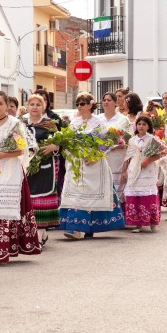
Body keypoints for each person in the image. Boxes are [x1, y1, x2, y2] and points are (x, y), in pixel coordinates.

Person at [0, 91, 41, 264]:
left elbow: (21, 150)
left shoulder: (15, 124)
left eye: (1, 103)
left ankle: (5, 248)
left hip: (10, 171)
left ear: (7, 105)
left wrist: (1, 154)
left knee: (5, 208)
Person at [59, 92, 126, 238]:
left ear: (90, 105)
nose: (79, 107)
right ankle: (75, 227)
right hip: (77, 163)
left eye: (82, 103)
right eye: (77, 104)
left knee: (90, 194)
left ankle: (88, 227)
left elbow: (108, 142)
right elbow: (67, 141)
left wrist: (95, 157)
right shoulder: (74, 122)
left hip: (93, 164)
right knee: (77, 194)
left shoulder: (98, 122)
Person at [24, 94, 61, 236]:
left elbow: (60, 142)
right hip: (27, 165)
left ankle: (41, 231)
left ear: (43, 107)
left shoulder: (50, 124)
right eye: (32, 104)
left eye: (38, 105)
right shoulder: (21, 123)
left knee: (43, 195)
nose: (35, 107)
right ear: (27, 106)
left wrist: (55, 146)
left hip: (46, 165)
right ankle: (32, 232)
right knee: (29, 196)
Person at [121, 116, 163, 232]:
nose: (141, 126)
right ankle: (137, 224)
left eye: (144, 124)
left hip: (147, 170)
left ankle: (152, 223)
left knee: (148, 196)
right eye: (139, 124)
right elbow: (128, 157)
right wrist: (124, 171)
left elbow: (159, 154)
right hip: (134, 169)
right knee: (134, 195)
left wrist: (147, 160)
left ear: (148, 126)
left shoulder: (153, 139)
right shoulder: (132, 140)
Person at [100, 92, 133, 212]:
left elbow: (129, 139)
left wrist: (121, 143)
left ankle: (118, 213)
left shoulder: (123, 119)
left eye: (109, 100)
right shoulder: (98, 119)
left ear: (115, 103)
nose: (106, 102)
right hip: (102, 156)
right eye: (104, 100)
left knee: (118, 184)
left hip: (117, 157)